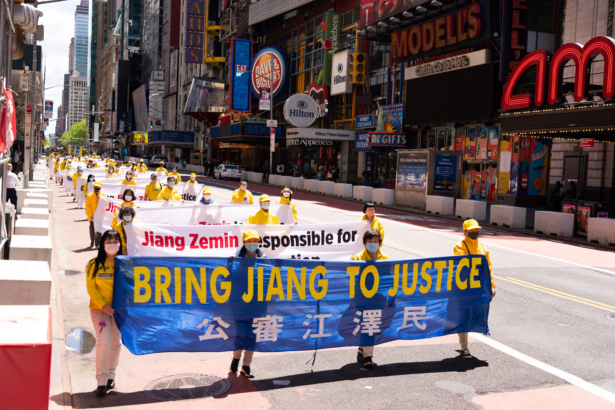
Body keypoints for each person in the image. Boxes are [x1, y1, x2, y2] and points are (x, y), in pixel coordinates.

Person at [86, 230, 123, 397]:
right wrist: (103, 305)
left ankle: (111, 375)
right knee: (104, 342)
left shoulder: (125, 263)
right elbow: (91, 287)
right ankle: (101, 381)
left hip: (119, 312)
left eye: (116, 241)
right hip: (99, 310)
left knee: (116, 343)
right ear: (102, 244)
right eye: (109, 241)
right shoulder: (94, 264)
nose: (112, 244)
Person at [453, 219, 496, 359]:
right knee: (464, 315)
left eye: (476, 230)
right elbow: (461, 265)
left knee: (475, 314)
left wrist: (491, 286)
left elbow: (488, 268)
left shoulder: (482, 247)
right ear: (465, 232)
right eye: (471, 230)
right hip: (464, 289)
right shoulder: (460, 246)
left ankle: (462, 336)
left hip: (478, 288)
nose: (474, 232)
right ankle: (464, 347)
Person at [229, 229, 266, 378]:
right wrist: (229, 263)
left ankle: (246, 366)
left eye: (255, 241)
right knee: (240, 334)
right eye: (249, 241)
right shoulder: (235, 259)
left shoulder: (264, 259)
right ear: (244, 243)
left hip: (257, 305)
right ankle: (235, 360)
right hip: (239, 304)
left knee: (252, 335)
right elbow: (226, 279)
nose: (252, 244)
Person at [350, 229, 389, 368]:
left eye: (376, 242)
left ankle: (365, 351)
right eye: (370, 241)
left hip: (378, 298)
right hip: (362, 297)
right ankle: (367, 356)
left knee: (370, 323)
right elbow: (351, 278)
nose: (373, 244)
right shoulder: (357, 258)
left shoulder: (385, 259)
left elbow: (389, 280)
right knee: (367, 323)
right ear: (365, 243)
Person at [86, 182, 106, 248]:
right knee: (92, 230)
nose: (96, 188)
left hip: (100, 217)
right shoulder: (90, 195)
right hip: (92, 217)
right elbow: (87, 206)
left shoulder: (103, 195)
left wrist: (100, 198)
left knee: (99, 231)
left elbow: (106, 204)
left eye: (98, 187)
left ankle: (98, 244)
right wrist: (90, 215)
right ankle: (92, 241)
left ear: (100, 188)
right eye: (95, 187)